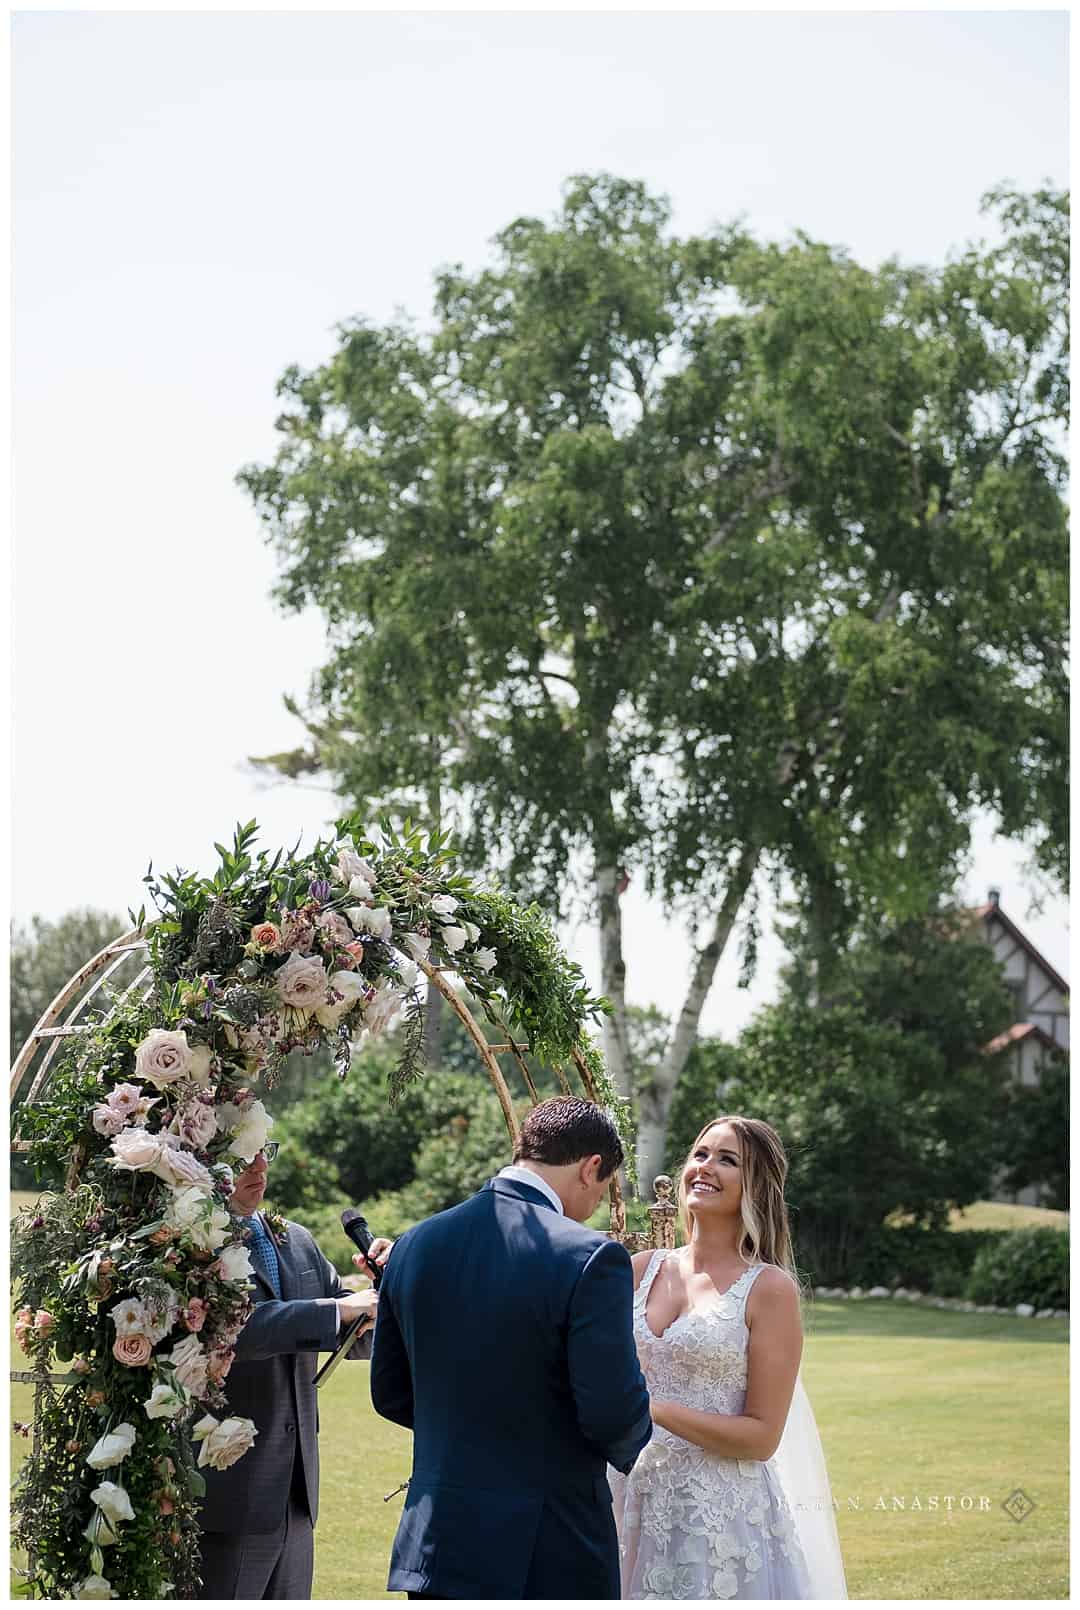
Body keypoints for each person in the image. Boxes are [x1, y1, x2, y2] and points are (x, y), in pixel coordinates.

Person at [370, 1096, 653, 1600]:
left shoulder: (414, 1244)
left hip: (437, 1545)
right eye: (605, 1187)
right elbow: (611, 1411)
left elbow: (391, 1393)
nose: (594, 1206)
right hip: (549, 1545)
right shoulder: (591, 1258)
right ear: (591, 1168)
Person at [610, 1116, 847, 1600]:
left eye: (727, 1159)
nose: (705, 1167)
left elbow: (761, 1436)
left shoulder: (769, 1290)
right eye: (700, 1154)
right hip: (625, 1498)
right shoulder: (638, 1270)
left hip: (716, 1519)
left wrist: (652, 1409)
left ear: (756, 1186)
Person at [197, 1144, 392, 1600]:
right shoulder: (193, 1242)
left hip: (297, 1493)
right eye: (245, 1155)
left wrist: (390, 1290)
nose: (261, 1167)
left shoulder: (297, 1239)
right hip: (228, 1494)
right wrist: (338, 1310)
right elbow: (236, 1331)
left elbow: (350, 1333)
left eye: (265, 1152)